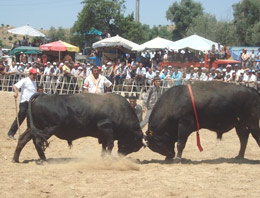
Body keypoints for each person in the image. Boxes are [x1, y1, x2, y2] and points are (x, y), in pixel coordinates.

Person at [7, 68, 38, 140]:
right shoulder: (25, 80)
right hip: (24, 102)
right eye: (34, 74)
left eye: (35, 74)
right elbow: (15, 86)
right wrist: (16, 92)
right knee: (20, 117)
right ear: (30, 74)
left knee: (31, 119)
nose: (35, 76)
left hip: (32, 103)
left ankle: (30, 134)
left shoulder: (35, 82)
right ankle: (11, 133)